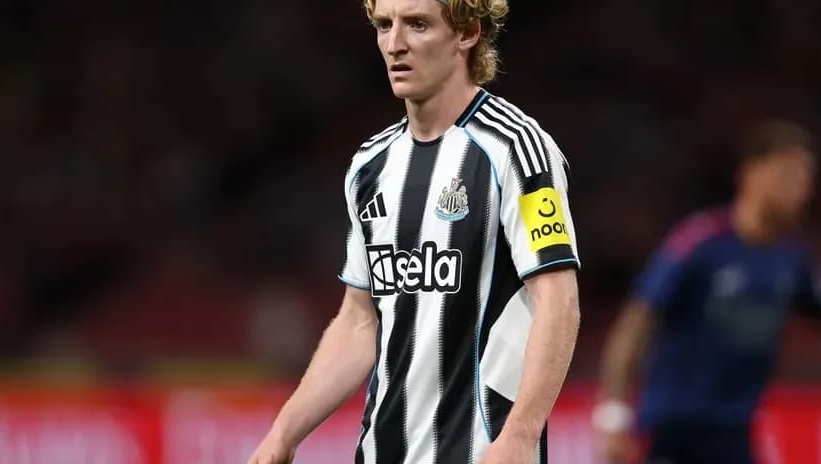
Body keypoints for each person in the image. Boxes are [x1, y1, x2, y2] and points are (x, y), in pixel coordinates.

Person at [248, 0, 582, 463]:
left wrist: (520, 437)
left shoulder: (518, 150)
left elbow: (559, 301)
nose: (394, 44)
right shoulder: (370, 166)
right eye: (385, 25)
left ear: (466, 33)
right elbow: (358, 321)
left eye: (417, 25)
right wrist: (283, 434)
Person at [594, 121, 821, 464]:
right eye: (789, 176)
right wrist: (615, 416)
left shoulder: (794, 262)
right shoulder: (699, 244)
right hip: (672, 431)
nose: (801, 190)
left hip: (733, 434)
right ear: (751, 174)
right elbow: (633, 327)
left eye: (805, 180)